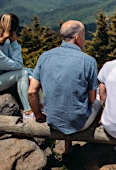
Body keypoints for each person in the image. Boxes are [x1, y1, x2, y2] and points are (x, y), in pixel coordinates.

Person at [28, 20, 102, 153]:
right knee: (98, 103)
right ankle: (92, 142)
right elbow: (92, 100)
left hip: (52, 120)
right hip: (79, 123)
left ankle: (68, 147)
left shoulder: (44, 57)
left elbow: (32, 92)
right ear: (78, 38)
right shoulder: (89, 61)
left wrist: (38, 115)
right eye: (84, 36)